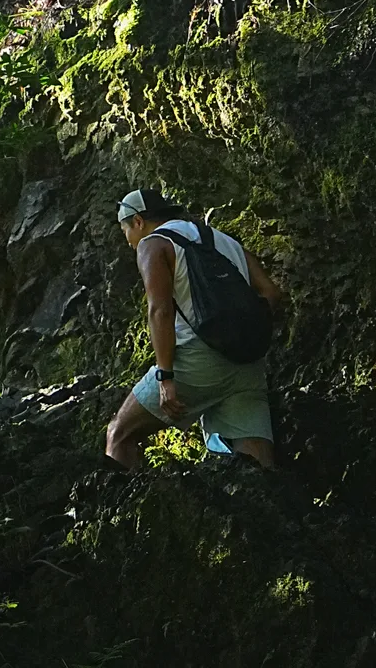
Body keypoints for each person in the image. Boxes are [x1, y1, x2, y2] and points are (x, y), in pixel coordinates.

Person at [105, 189, 284, 471]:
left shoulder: (153, 244)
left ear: (138, 221)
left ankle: (125, 511)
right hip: (248, 364)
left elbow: (160, 311)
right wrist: (239, 335)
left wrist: (165, 378)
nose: (127, 241)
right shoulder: (221, 239)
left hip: (198, 363)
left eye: (124, 230)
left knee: (120, 434)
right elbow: (271, 293)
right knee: (257, 465)